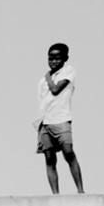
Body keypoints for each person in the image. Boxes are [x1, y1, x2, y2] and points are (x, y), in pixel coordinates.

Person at [36, 43, 83, 194]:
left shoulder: (68, 71)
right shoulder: (43, 81)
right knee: (49, 158)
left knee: (68, 152)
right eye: (51, 58)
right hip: (45, 121)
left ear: (65, 58)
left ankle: (80, 190)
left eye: (57, 58)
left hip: (61, 119)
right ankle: (55, 194)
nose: (53, 61)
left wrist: (48, 77)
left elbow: (56, 89)